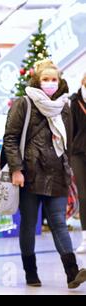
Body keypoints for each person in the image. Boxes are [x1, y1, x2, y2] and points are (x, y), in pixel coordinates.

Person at [3, 60, 86, 289]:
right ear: (37, 81)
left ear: (59, 82)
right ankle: (31, 272)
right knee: (29, 225)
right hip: (30, 174)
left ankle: (72, 274)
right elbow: (10, 138)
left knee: (59, 222)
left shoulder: (64, 107)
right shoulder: (25, 104)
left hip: (58, 174)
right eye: (45, 79)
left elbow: (67, 142)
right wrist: (17, 169)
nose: (50, 84)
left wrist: (69, 171)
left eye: (54, 80)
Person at [71, 73, 86, 254]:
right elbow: (71, 129)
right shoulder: (74, 102)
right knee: (83, 196)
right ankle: (84, 237)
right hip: (78, 153)